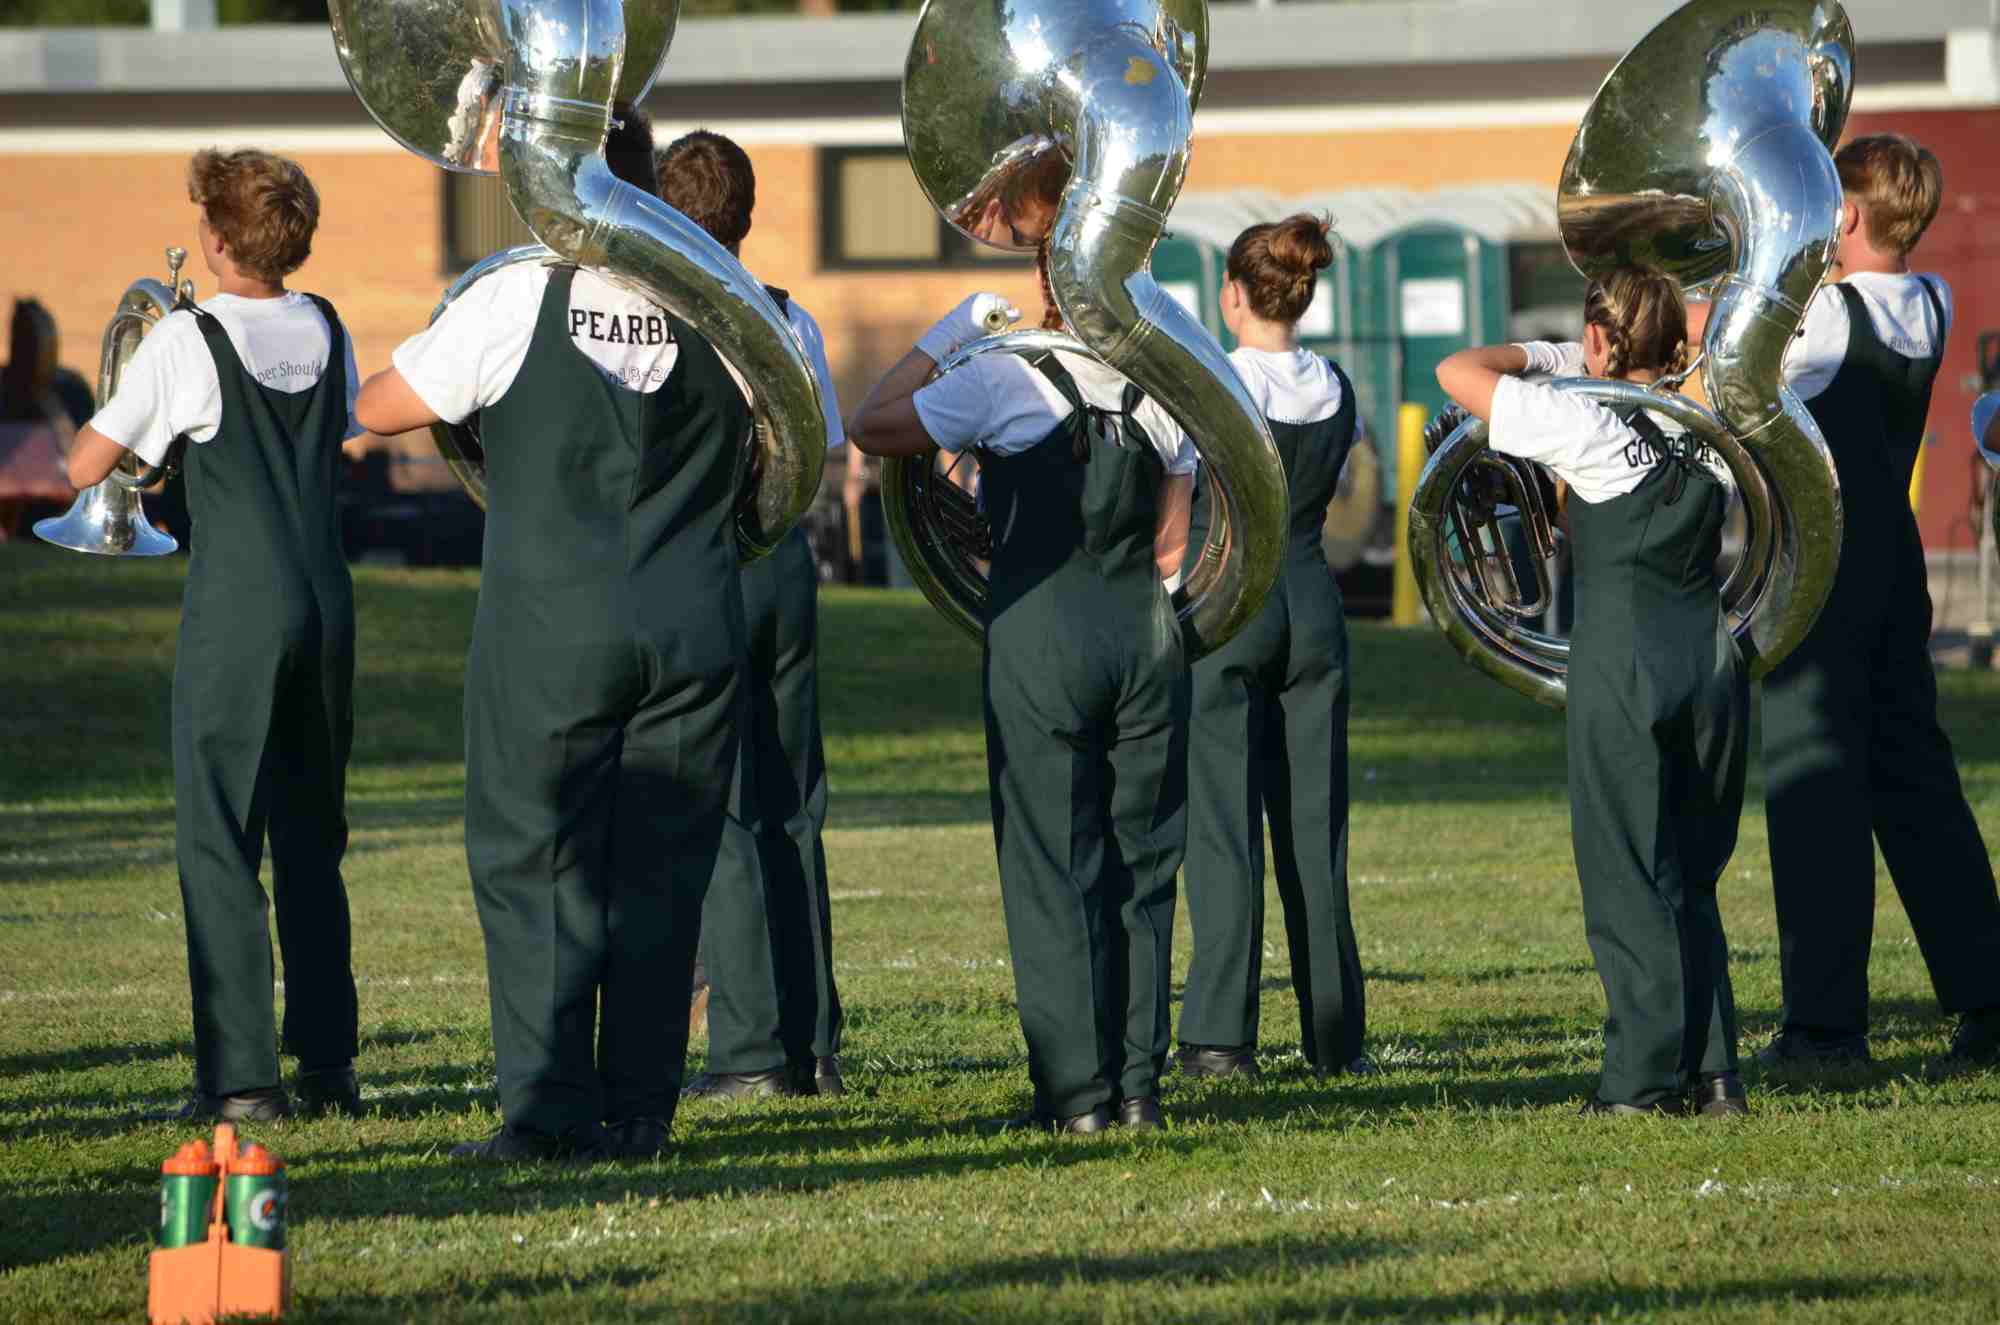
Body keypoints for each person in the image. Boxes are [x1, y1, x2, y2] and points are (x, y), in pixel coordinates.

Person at [355, 103, 750, 1161]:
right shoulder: (726, 304)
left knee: (533, 858)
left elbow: (380, 405)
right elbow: (783, 454)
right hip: (693, 623)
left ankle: (546, 1111)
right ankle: (641, 1110)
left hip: (550, 624)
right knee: (663, 868)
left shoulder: (513, 297)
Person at [847, 245, 1196, 1134]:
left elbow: (872, 424)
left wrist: (947, 334)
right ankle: (1138, 1089)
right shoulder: (1168, 385)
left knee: (1051, 862)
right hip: (1146, 635)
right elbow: (1171, 545)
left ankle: (1077, 1096)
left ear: (1049, 282)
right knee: (1143, 865)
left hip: (1044, 631)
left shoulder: (1004, 376)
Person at [64, 149, 364, 1122]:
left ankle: (241, 1078)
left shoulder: (188, 337)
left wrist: (140, 390)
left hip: (240, 601)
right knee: (312, 833)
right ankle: (328, 1063)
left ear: (221, 240)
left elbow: (87, 462)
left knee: (221, 837)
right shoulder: (329, 324)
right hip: (327, 597)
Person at [1436, 267, 1749, 1117]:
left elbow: (1457, 372)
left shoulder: (1586, 424)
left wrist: (1554, 357)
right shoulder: (1713, 418)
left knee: (1625, 872)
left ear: (1603, 340)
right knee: (1693, 871)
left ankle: (1641, 1080)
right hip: (1711, 659)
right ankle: (1715, 1073)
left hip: (1625, 658)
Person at [1756, 133, 2000, 1072]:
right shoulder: (1933, 300)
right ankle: (1986, 996)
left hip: (1823, 567)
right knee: (1918, 784)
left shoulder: (1826, 318)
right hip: (1897, 568)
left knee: (1814, 784)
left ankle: (1825, 1028)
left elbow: (1736, 362)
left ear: (1848, 215)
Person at [656, 130, 849, 1100]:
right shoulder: (789, 315)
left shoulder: (661, 316)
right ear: (747, 215)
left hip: (707, 562)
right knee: (794, 804)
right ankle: (814, 1042)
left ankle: (747, 1050)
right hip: (786, 564)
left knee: (726, 806)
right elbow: (829, 447)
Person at [1174, 215, 1370, 1081]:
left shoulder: (1213, 380)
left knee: (1224, 827)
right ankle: (1336, 1035)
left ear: (1232, 294)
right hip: (1315, 602)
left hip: (1231, 603)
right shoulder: (1336, 385)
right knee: (1317, 832)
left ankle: (1221, 1036)